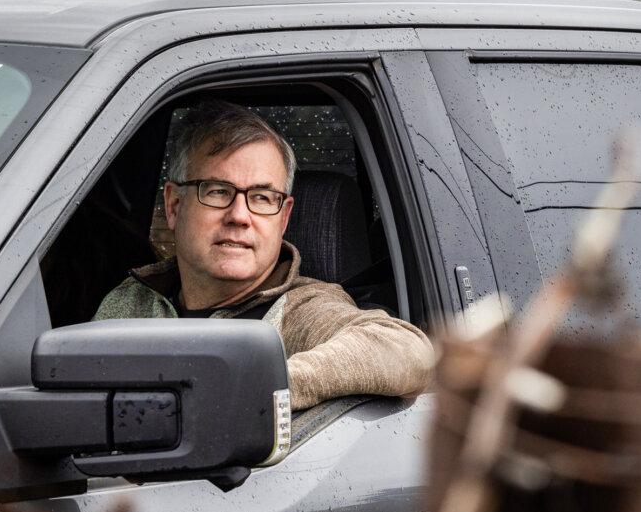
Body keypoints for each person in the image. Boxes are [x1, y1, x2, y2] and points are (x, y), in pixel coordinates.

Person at [93, 100, 433, 410]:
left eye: (262, 198)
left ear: (283, 218)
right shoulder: (129, 301)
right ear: (174, 205)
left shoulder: (301, 309)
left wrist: (268, 385)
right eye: (218, 191)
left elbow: (407, 351)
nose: (239, 216)